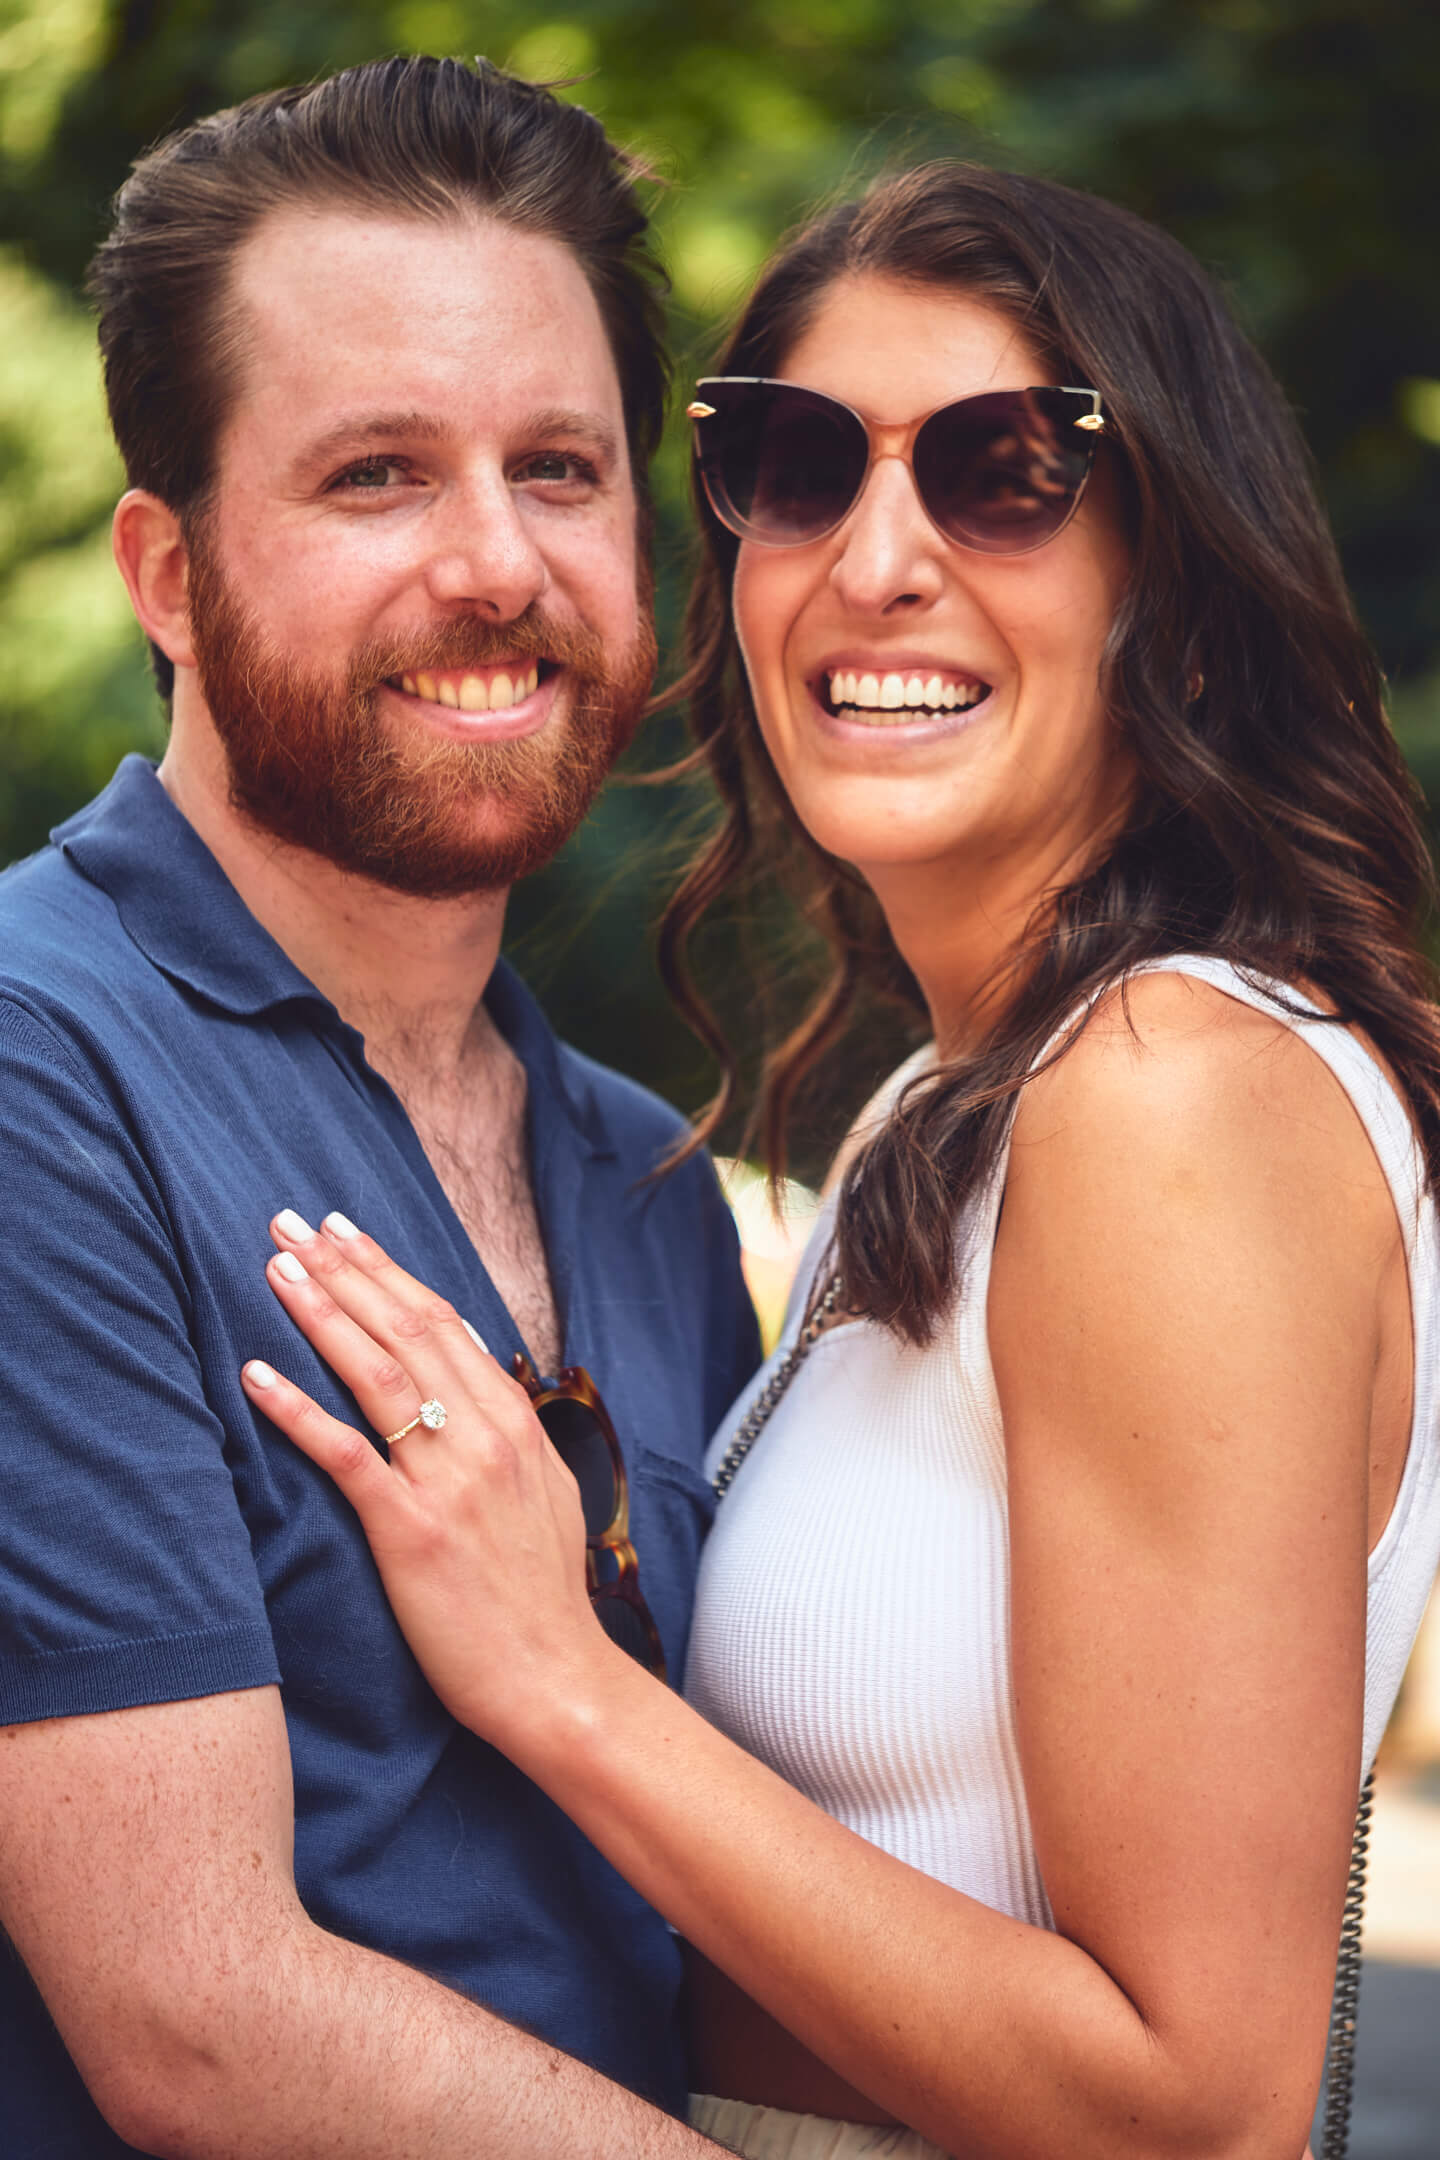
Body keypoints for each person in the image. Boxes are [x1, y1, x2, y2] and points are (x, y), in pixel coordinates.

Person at [250, 160, 1440, 2160]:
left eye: (1006, 473)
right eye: (796, 464)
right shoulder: (961, 1104)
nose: (877, 557)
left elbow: (1197, 2108)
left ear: (1188, 595)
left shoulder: (1169, 1097)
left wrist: (563, 1681)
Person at [0, 55, 760, 2160]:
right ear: (165, 572)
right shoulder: (33, 1071)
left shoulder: (649, 1184)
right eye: (376, 478)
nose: (497, 564)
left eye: (559, 468)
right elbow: (194, 2013)